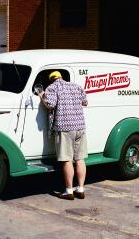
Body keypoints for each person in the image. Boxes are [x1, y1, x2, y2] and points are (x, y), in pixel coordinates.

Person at [38, 71, 88, 200]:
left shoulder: (52, 88)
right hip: (80, 126)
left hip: (65, 127)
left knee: (67, 160)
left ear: (51, 79)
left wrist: (42, 95)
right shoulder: (75, 86)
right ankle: (81, 188)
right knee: (80, 159)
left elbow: (50, 104)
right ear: (61, 77)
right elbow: (85, 102)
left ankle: (69, 191)